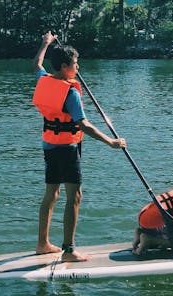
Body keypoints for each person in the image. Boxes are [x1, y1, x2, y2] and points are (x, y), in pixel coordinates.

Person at [32, 31, 126, 262]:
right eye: (75, 64)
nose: (78, 68)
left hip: (49, 144)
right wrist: (111, 142)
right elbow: (83, 125)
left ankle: (42, 243)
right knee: (74, 196)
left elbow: (36, 63)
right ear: (64, 66)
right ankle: (69, 250)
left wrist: (45, 43)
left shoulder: (44, 79)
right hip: (66, 148)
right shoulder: (70, 92)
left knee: (51, 194)